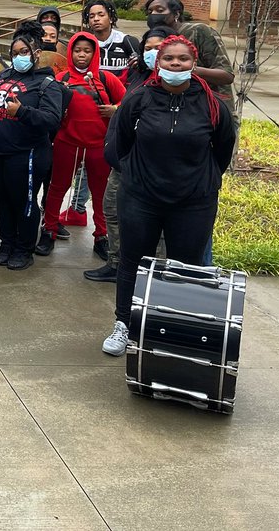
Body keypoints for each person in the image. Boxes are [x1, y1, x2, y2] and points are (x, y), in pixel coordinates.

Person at [100, 34, 236, 356]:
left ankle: (174, 329)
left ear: (194, 63)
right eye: (169, 59)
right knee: (133, 261)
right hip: (141, 199)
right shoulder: (139, 98)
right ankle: (124, 324)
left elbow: (223, 149)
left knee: (185, 267)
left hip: (193, 202)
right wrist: (135, 173)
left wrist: (203, 180)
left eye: (183, 59)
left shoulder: (213, 104)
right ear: (159, 62)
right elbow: (118, 143)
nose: (176, 64)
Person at [84, 26, 170, 283]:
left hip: (155, 165)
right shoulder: (137, 75)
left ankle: (152, 273)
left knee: (156, 221)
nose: (153, 53)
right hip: (124, 160)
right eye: (148, 48)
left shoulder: (180, 85)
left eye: (159, 48)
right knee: (112, 209)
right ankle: (117, 263)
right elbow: (125, 104)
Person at [0, 21, 64, 271]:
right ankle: (7, 243)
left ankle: (24, 248)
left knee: (24, 202)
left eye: (24, 52)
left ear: (37, 53)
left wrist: (22, 111)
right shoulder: (2, 76)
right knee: (3, 199)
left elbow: (52, 119)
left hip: (26, 154)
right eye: (15, 53)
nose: (19, 57)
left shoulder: (47, 84)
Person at [39, 31, 125, 258]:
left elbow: (127, 103)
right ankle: (48, 230)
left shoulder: (107, 79)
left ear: (95, 53)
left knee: (100, 193)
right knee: (57, 187)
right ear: (70, 53)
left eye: (87, 51)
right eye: (77, 50)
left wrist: (114, 109)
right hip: (67, 143)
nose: (82, 55)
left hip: (98, 146)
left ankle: (102, 236)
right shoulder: (61, 79)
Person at [144, 0, 235, 101]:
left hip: (210, 106)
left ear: (176, 14)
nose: (154, 14)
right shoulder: (155, 38)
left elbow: (227, 76)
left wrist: (188, 70)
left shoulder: (198, 32)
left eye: (159, 10)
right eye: (150, 12)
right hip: (175, 107)